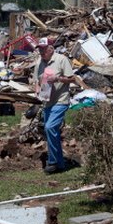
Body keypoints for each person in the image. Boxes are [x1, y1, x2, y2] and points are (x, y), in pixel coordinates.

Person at [33, 37, 75, 174]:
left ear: (51, 49)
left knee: (49, 127)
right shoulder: (39, 62)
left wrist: (57, 78)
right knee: (51, 131)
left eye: (43, 49)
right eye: (39, 49)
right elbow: (36, 80)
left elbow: (72, 79)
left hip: (60, 100)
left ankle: (52, 162)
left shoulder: (61, 60)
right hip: (47, 101)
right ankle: (60, 164)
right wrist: (37, 89)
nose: (41, 51)